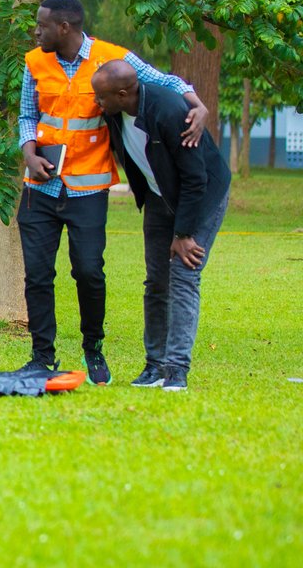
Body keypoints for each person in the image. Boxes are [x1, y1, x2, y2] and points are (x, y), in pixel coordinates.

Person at [17, 0, 208, 383]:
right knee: (37, 275)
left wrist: (197, 103)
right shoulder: (34, 62)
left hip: (88, 189)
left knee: (89, 272)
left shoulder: (111, 57)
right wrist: (29, 153)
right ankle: (41, 357)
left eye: (42, 25)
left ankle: (93, 351)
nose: (36, 31)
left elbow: (163, 81)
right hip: (40, 188)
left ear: (64, 27)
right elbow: (27, 114)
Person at [91, 60, 230, 392]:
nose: (97, 103)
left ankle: (176, 369)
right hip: (158, 196)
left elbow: (195, 179)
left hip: (202, 194)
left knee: (183, 274)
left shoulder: (169, 111)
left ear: (123, 94)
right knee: (156, 280)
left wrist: (183, 235)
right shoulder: (114, 110)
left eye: (101, 98)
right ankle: (154, 366)